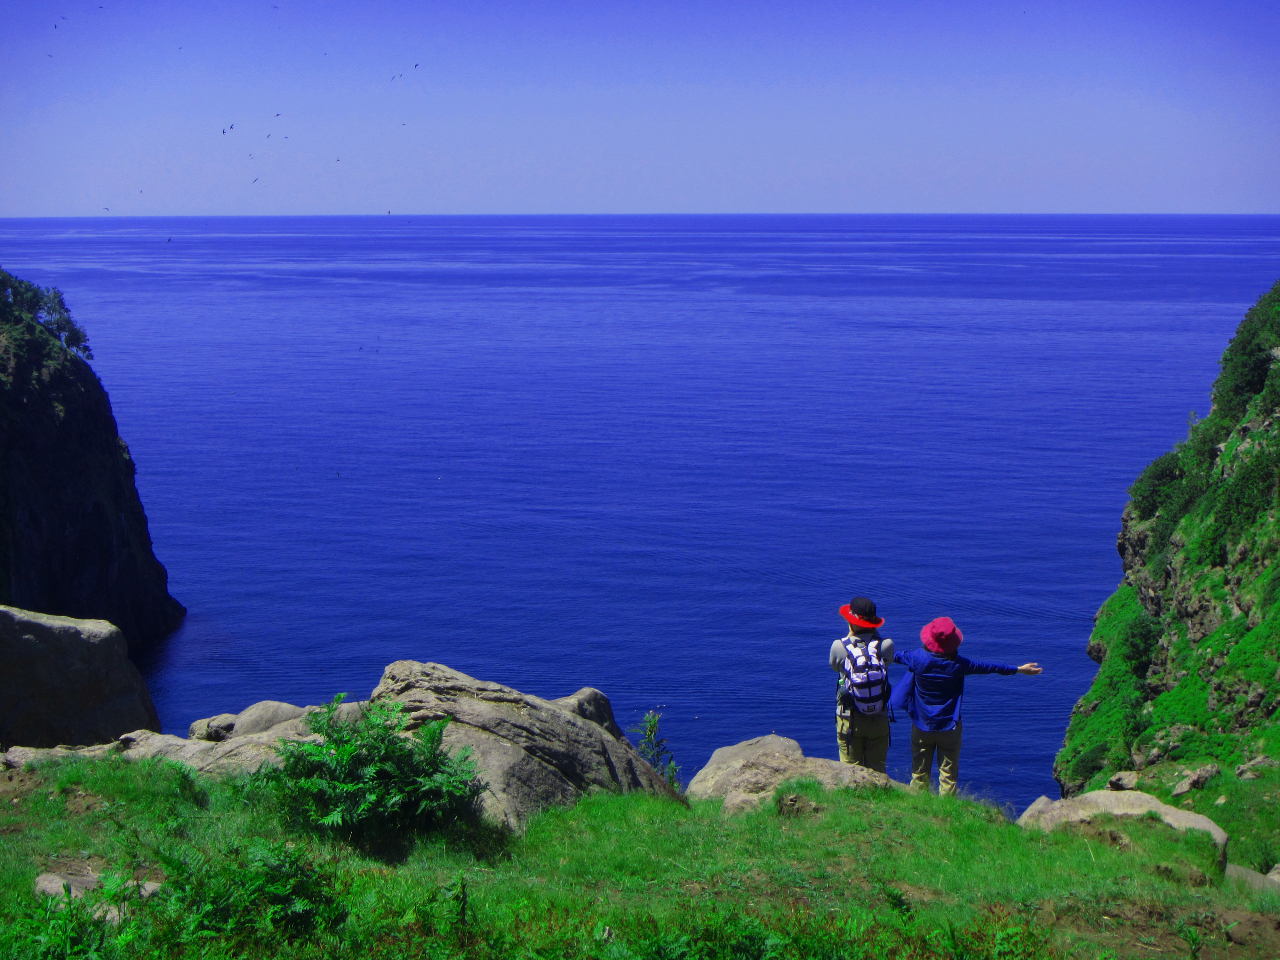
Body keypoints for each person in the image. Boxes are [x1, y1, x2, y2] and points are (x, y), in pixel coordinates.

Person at [893, 616, 1041, 796]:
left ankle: (917, 809)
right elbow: (989, 667)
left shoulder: (916, 658)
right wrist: (1018, 669)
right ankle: (946, 814)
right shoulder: (959, 665)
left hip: (922, 724)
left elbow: (894, 655)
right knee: (948, 776)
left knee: (919, 773)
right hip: (949, 727)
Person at [829, 596, 895, 773]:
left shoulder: (839, 646)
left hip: (849, 719)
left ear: (850, 621)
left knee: (849, 771)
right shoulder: (886, 645)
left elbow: (835, 667)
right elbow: (885, 664)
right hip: (879, 717)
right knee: (878, 770)